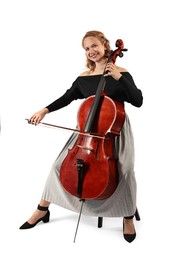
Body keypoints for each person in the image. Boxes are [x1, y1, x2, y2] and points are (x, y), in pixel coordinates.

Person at [19, 30, 143, 243]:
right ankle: (42, 209)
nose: (91, 51)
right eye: (87, 48)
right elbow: (66, 98)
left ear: (105, 46)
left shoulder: (120, 72)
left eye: (94, 45)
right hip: (85, 133)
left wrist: (119, 77)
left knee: (126, 170)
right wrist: (43, 110)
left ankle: (128, 216)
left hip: (114, 132)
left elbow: (138, 100)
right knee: (58, 166)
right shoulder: (83, 79)